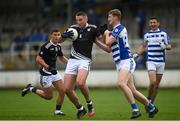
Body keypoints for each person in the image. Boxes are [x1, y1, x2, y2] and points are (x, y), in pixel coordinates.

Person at [100, 9, 158, 119]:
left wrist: (106, 33)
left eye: (110, 17)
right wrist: (96, 41)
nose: (108, 19)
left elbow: (107, 41)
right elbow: (108, 49)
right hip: (120, 62)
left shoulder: (119, 28)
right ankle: (151, 107)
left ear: (116, 17)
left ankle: (135, 110)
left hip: (126, 60)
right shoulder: (114, 31)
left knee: (121, 83)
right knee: (133, 91)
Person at [62, 11, 111, 119]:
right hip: (72, 60)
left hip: (85, 60)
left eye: (81, 20)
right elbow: (61, 41)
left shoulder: (93, 28)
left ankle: (89, 104)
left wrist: (105, 32)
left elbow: (102, 38)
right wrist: (63, 36)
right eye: (77, 20)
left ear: (86, 19)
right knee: (67, 89)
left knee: (80, 82)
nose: (78, 22)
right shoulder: (73, 28)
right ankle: (80, 108)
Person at [21, 29, 68, 116]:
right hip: (45, 73)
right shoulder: (46, 46)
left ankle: (57, 111)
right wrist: (48, 67)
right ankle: (31, 89)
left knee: (62, 91)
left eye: (58, 35)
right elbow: (38, 59)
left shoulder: (58, 46)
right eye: (55, 34)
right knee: (48, 97)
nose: (57, 36)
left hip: (54, 72)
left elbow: (61, 57)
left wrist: (70, 63)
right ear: (51, 35)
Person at [134, 17, 171, 103]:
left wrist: (165, 46)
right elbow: (143, 46)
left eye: (154, 22)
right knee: (153, 82)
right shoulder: (146, 35)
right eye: (151, 23)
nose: (152, 24)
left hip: (161, 62)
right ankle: (148, 99)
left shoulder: (163, 34)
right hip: (151, 60)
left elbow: (169, 46)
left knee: (157, 86)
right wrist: (137, 54)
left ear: (158, 23)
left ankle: (151, 104)